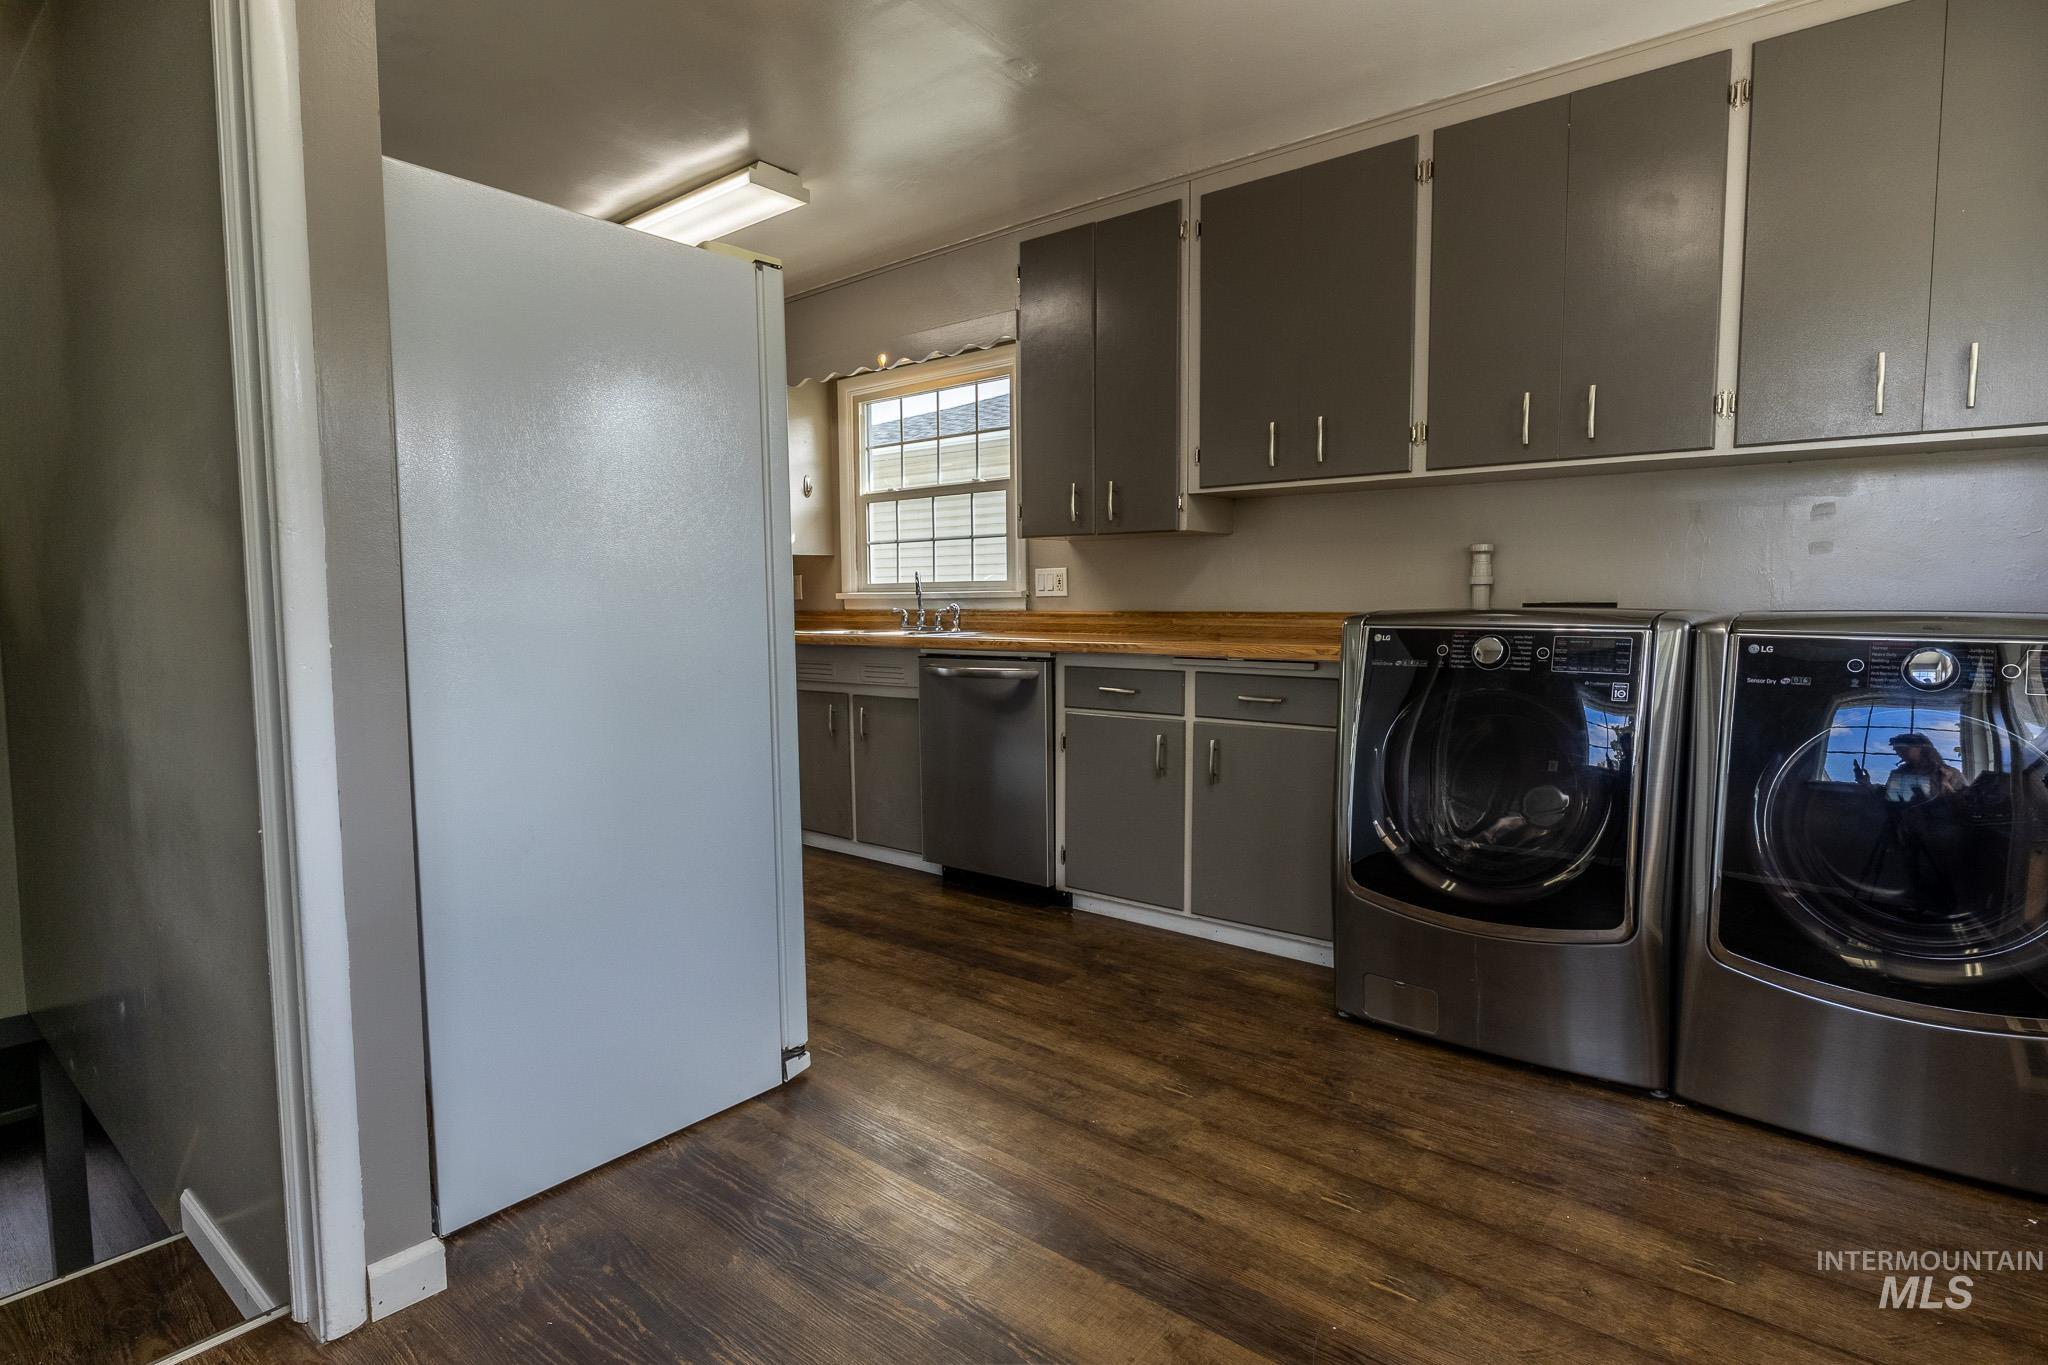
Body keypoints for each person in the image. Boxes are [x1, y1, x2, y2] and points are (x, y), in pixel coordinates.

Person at [1870, 731, 1968, 803]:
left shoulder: (1949, 773)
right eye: (1897, 751)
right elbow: (1888, 798)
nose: (1900, 754)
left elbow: (1964, 803)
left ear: (1922, 749)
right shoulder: (1898, 774)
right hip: (1899, 825)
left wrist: (1946, 784)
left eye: (1904, 749)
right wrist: (1866, 784)